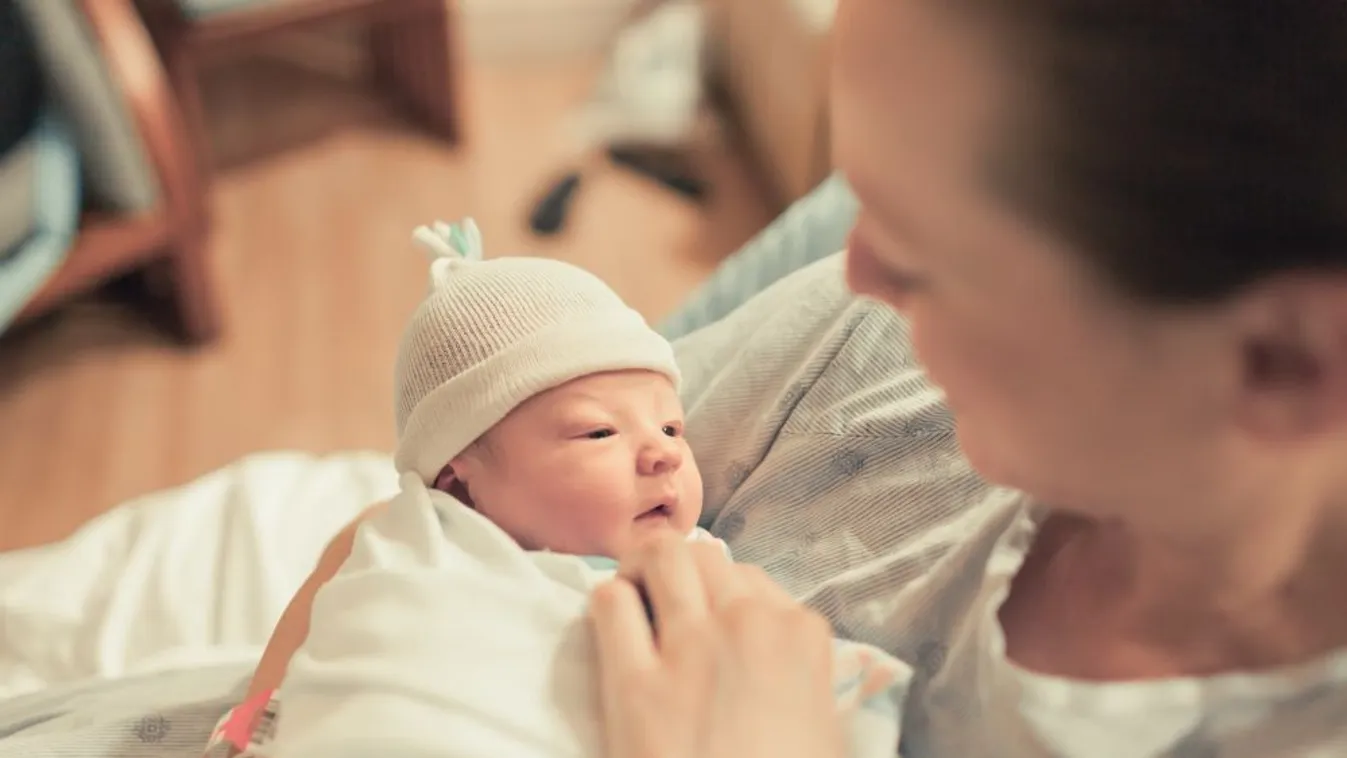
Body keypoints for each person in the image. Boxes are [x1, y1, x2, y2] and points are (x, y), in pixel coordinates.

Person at [586, 1, 1347, 757]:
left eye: (919, 257)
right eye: (862, 198)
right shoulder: (859, 343)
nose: (856, 270)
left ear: (1283, 363)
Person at [206, 220, 907, 757]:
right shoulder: (418, 533)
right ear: (460, 481)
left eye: (671, 427)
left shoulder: (689, 563)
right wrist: (247, 722)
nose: (661, 453)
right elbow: (321, 602)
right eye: (599, 433)